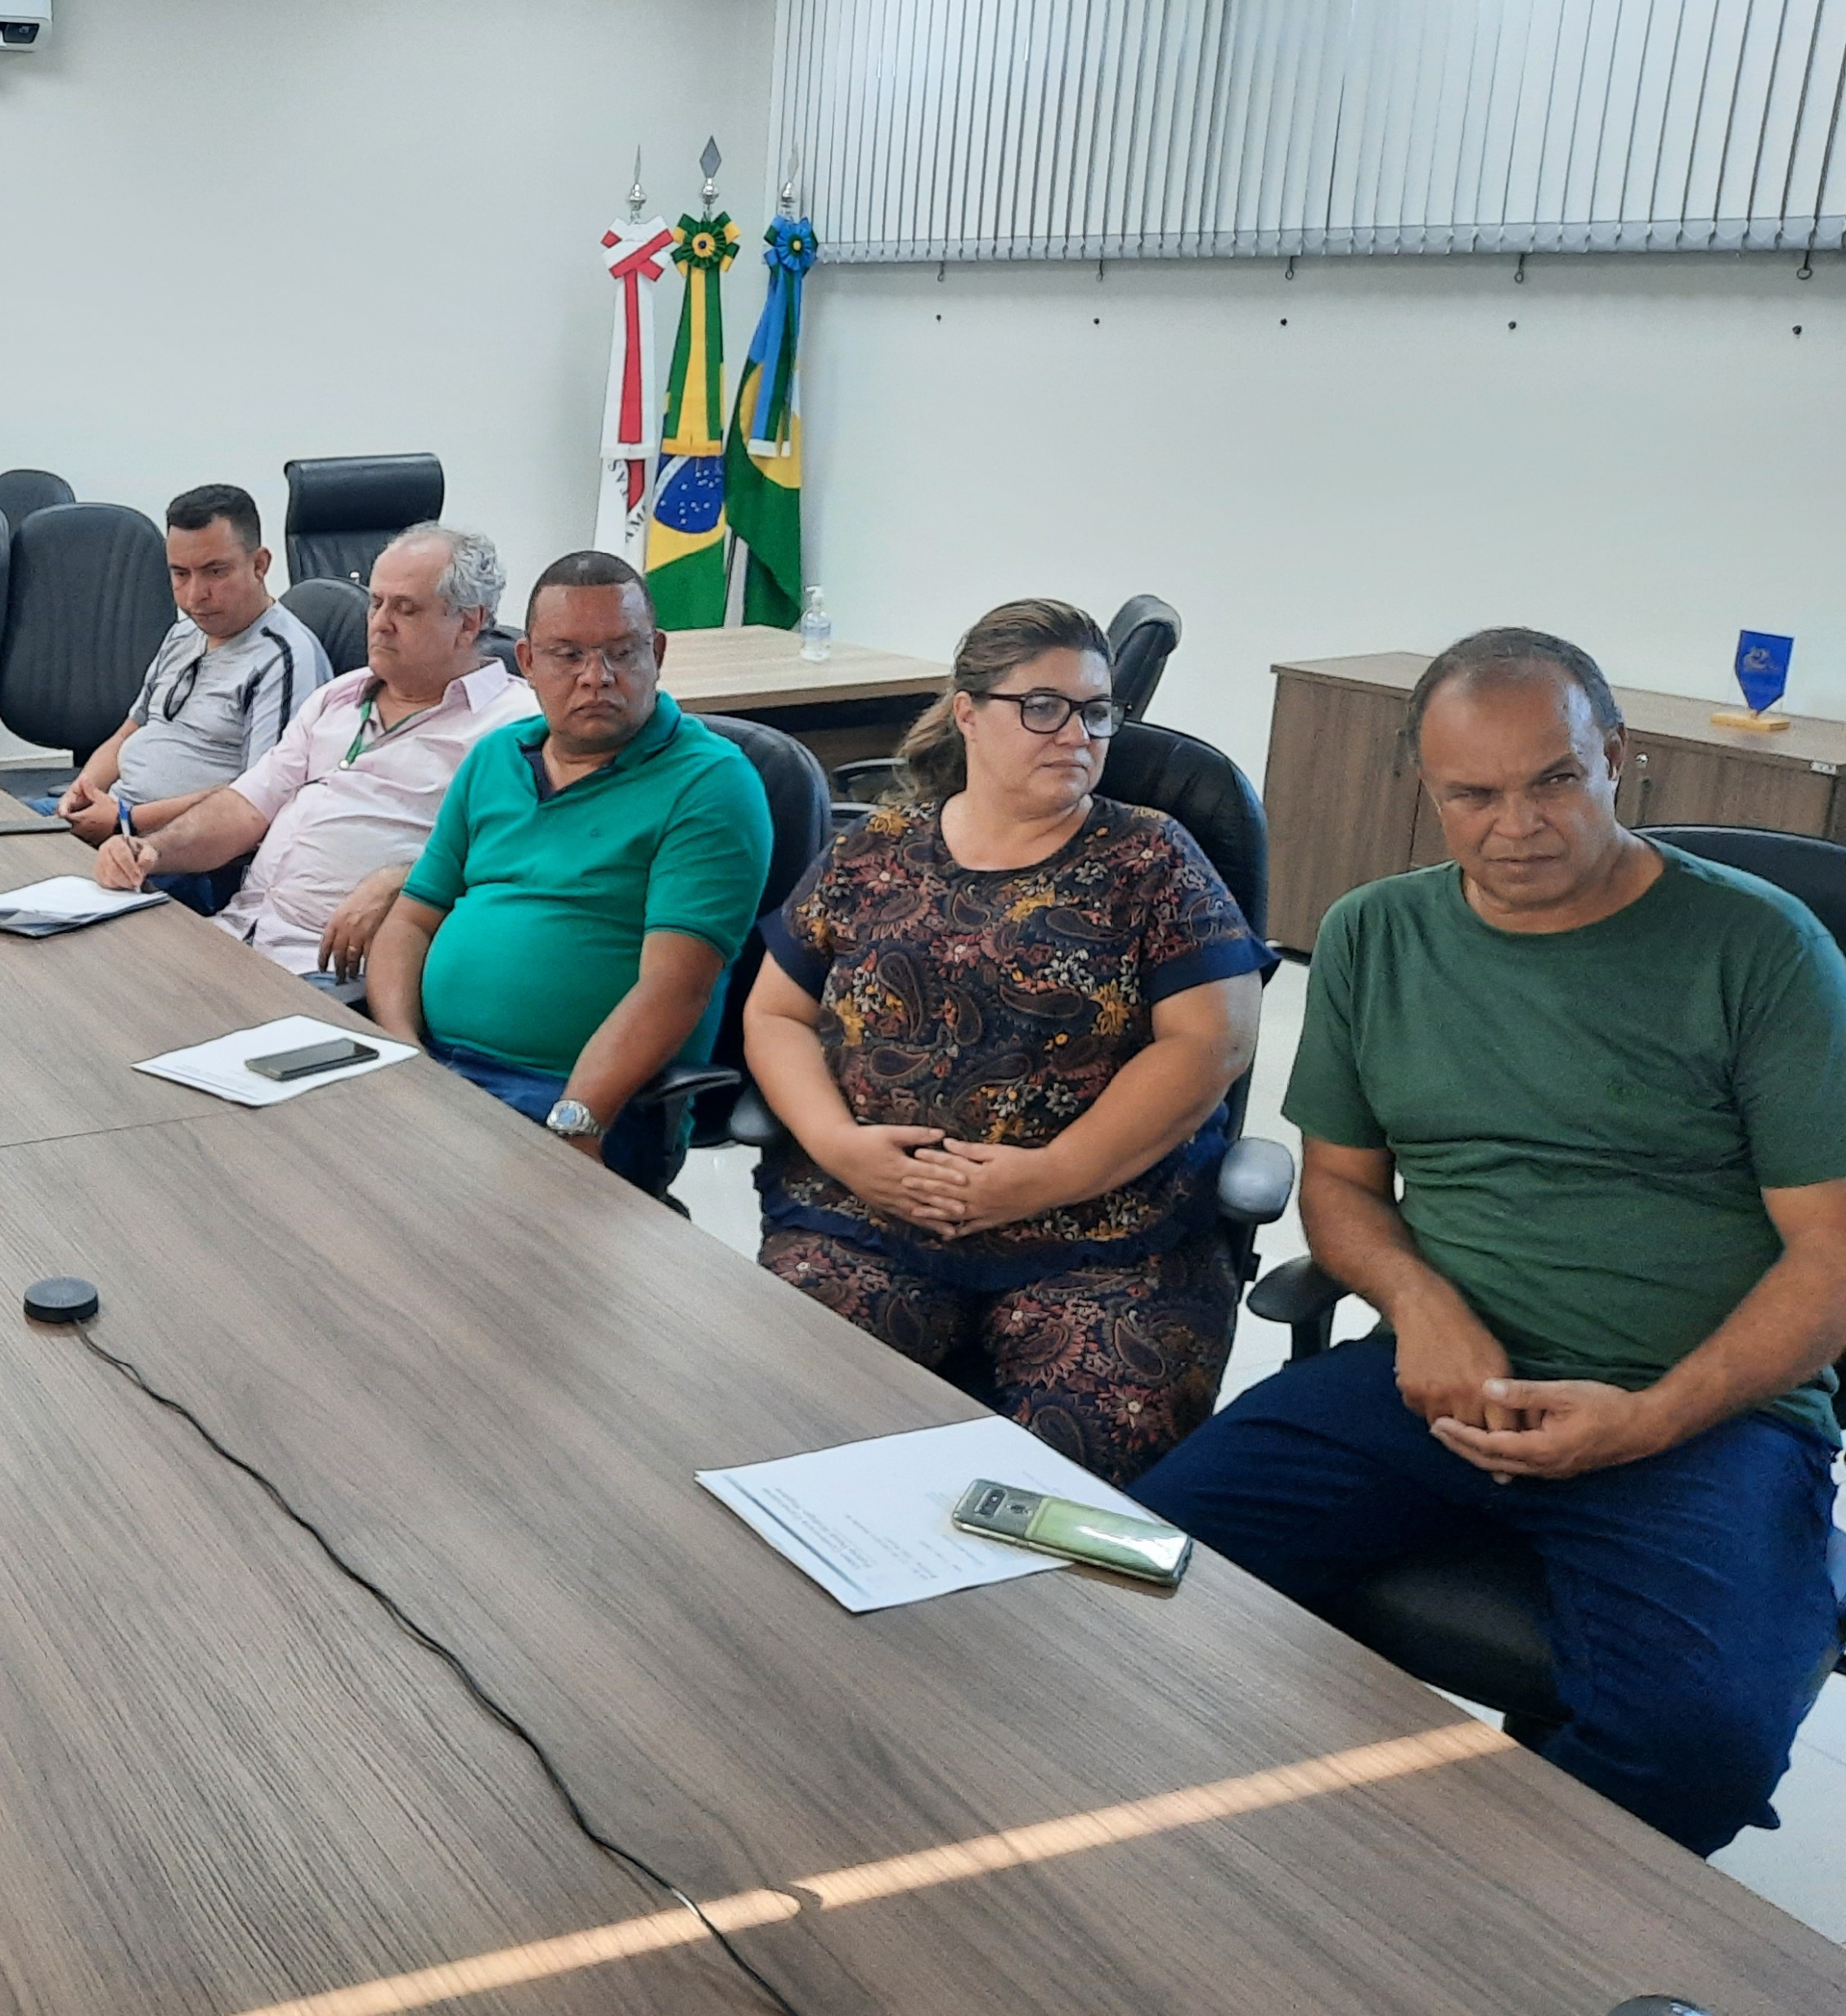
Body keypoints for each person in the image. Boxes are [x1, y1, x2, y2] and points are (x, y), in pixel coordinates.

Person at [1135, 628, 1846, 1856]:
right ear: (1426, 788)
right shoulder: (1374, 934)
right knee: (1146, 1568)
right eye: (1472, 793)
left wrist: (1651, 1418)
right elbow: (1342, 1190)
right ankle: (1271, 1853)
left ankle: (1491, 1913)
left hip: (1696, 1414)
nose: (1516, 825)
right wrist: (1421, 1307)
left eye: (1553, 779)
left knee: (1700, 1743)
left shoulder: (1761, 948)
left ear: (1614, 756)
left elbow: (1830, 1255)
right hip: (1432, 1382)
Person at [741, 599, 1269, 1486]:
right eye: (1042, 707)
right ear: (968, 713)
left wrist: (1049, 1175)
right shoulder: (877, 850)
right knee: (784, 1425)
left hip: (1105, 1237)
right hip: (872, 1216)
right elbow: (774, 1015)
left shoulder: (1152, 859)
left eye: (1095, 712)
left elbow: (1213, 1043)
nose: (1076, 734)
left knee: (1066, 1481)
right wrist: (838, 1146)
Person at [366, 551, 769, 1197]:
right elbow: (412, 920)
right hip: (436, 1075)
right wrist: (403, 1054)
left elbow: (676, 989)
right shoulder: (497, 756)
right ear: (527, 661)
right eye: (568, 655)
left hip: (574, 1103)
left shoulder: (710, 784)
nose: (596, 677)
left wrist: (578, 1118)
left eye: (623, 652)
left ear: (658, 652)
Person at [89, 523, 535, 984]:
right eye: (376, 603)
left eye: (405, 609)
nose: (380, 623)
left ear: (469, 623)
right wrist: (150, 850)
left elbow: (517, 860)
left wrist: (407, 881)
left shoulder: (512, 726)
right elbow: (246, 807)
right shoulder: (340, 695)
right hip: (237, 933)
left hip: (332, 970)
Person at [48, 486, 330, 905]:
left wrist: (127, 819)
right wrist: (84, 790)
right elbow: (131, 730)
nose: (195, 595)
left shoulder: (284, 659)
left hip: (186, 857)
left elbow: (258, 800)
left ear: (259, 565)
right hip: (119, 823)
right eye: (180, 574)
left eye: (215, 572)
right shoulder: (184, 633)